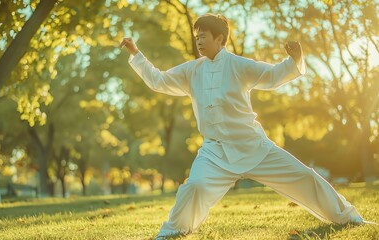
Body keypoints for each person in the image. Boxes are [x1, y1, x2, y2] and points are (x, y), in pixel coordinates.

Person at [120, 13, 373, 239]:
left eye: (204, 36)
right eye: (197, 36)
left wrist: (295, 60)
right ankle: (174, 231)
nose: (198, 41)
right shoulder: (191, 70)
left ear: (220, 39)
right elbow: (159, 80)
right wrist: (136, 53)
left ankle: (349, 217)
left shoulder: (238, 65)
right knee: (194, 186)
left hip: (253, 147)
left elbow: (272, 76)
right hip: (214, 153)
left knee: (306, 177)